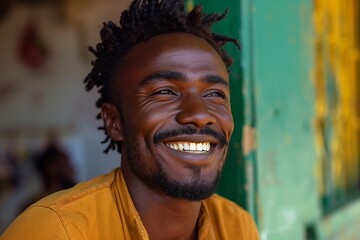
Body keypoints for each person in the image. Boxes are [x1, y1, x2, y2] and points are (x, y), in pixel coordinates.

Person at [1, 0, 259, 239]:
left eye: (214, 94)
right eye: (165, 92)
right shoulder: (56, 231)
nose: (200, 115)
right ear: (114, 122)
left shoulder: (237, 226)